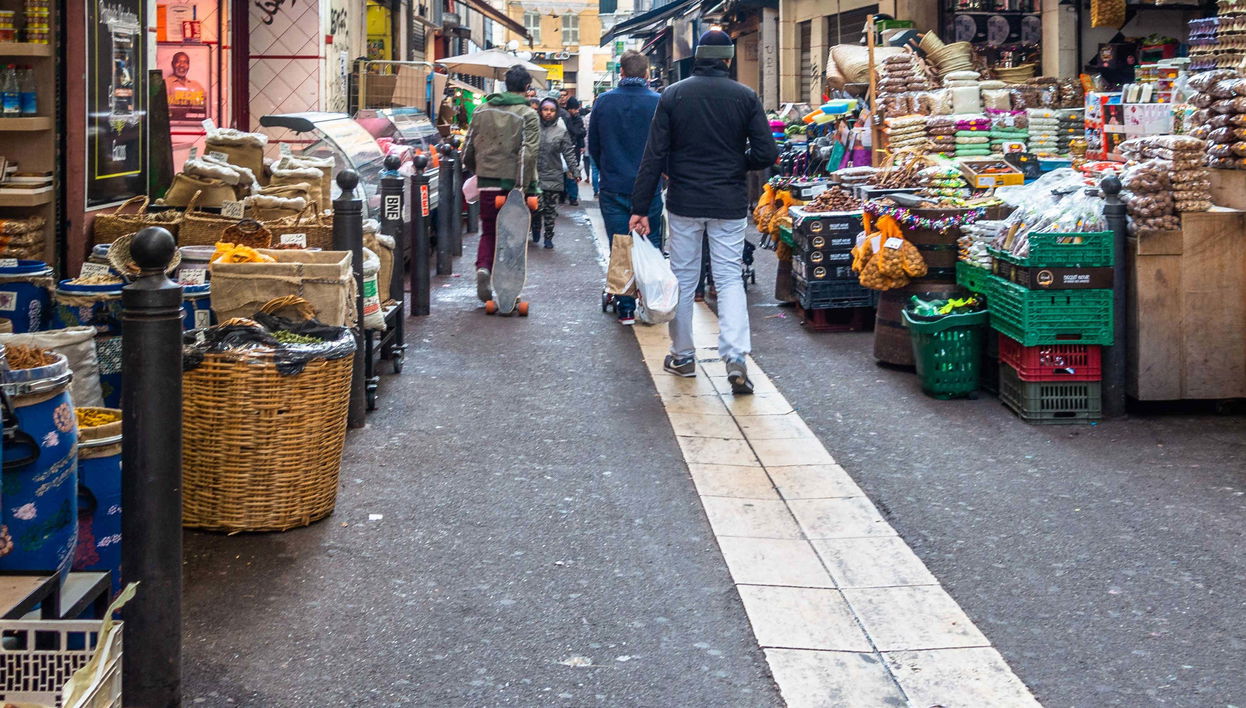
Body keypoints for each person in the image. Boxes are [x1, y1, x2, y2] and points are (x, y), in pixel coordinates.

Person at [628, 30, 778, 394]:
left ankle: (682, 355)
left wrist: (639, 207)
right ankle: (736, 357)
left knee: (683, 277)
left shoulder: (674, 95)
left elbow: (654, 155)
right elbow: (765, 153)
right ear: (727, 59)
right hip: (727, 200)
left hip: (684, 200)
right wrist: (735, 163)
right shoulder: (745, 96)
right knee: (727, 278)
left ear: (697, 57)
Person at [588, 50, 664, 325]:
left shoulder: (604, 102)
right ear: (647, 74)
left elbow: (593, 146)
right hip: (650, 187)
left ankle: (626, 308)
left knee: (620, 245)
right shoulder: (658, 102)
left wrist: (607, 168)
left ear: (620, 72)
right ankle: (652, 300)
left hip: (614, 184)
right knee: (650, 241)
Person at [461, 65, 540, 303]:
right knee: (513, 237)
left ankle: (483, 267)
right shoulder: (528, 115)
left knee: (489, 231)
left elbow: (467, 149)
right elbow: (528, 153)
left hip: (486, 182)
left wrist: (479, 171)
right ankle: (508, 290)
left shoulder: (481, 110)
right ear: (527, 88)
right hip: (514, 185)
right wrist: (521, 187)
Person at [533, 97, 579, 249]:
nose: (548, 113)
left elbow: (568, 152)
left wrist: (575, 170)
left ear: (556, 112)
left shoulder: (561, 131)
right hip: (534, 175)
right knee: (536, 206)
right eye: (545, 109)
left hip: (553, 175)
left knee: (550, 209)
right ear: (540, 111)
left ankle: (548, 237)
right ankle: (535, 227)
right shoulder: (533, 127)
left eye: (552, 110)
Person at [561, 97, 586, 205]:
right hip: (564, 149)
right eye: (574, 109)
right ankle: (564, 195)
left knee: (572, 173)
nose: (576, 111)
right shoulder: (564, 117)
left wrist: (581, 145)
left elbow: (580, 133)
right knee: (563, 173)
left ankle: (572, 197)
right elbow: (579, 132)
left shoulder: (577, 118)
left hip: (574, 148)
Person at [167, 51, 206, 119]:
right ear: (172, 64)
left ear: (188, 66)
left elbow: (206, 105)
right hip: (172, 125)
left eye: (185, 62)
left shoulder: (196, 85)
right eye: (178, 61)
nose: (182, 65)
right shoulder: (165, 84)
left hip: (194, 126)